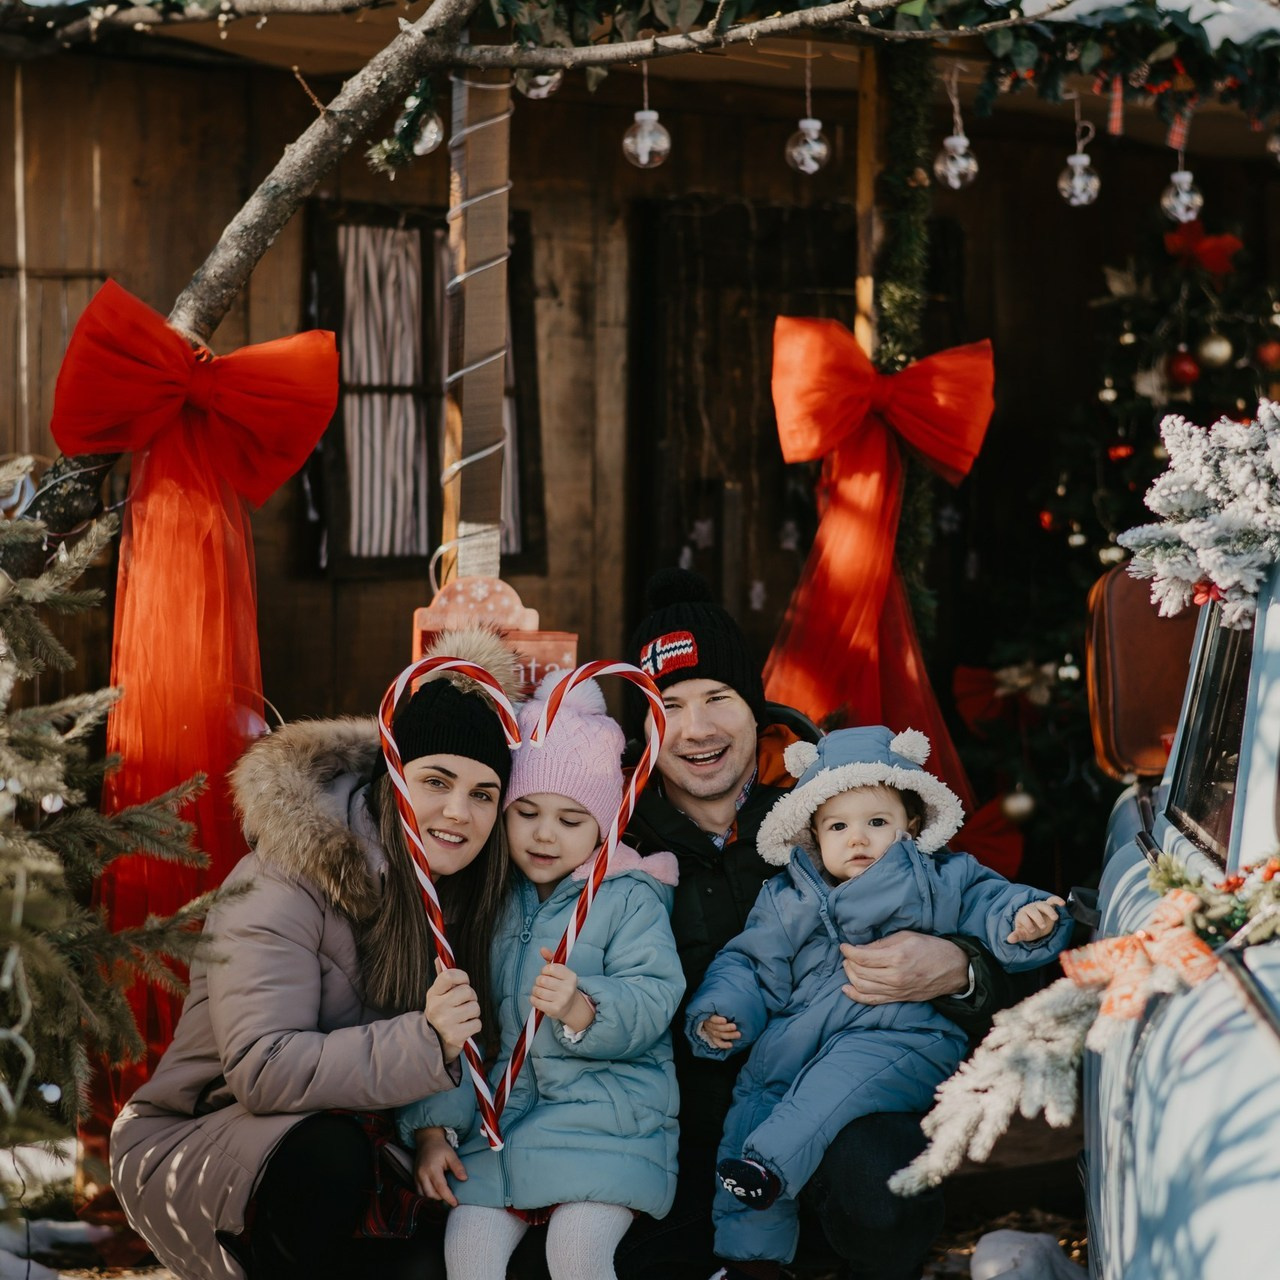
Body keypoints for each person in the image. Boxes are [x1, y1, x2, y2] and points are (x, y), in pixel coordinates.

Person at [602, 568, 1014, 1280]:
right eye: (669, 706)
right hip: (677, 1135)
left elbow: (979, 909)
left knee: (881, 1184)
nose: (696, 730)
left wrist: (962, 968)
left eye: (717, 698)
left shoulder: (835, 807)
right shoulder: (612, 835)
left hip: (836, 1109)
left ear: (754, 706)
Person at [109, 628, 520, 1280]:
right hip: (210, 1137)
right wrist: (427, 1042)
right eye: (436, 781)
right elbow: (262, 1067)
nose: (457, 812)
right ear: (392, 778)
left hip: (372, 1135)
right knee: (331, 1156)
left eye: (482, 794)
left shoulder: (461, 896)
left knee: (441, 1251)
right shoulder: (284, 878)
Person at [687, 724, 1073, 1278]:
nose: (858, 839)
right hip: (797, 1044)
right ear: (813, 834)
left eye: (876, 822)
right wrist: (723, 1012)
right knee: (756, 1105)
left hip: (903, 1037)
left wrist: (1024, 918)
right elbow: (750, 963)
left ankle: (769, 1167)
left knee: (829, 1089)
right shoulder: (788, 898)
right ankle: (752, 1262)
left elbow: (994, 900)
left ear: (910, 824)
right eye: (838, 826)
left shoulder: (940, 878)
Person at [399, 672, 685, 1280]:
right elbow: (460, 1033)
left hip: (607, 1125)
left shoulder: (629, 896)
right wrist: (432, 1128)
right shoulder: (488, 899)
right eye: (525, 813)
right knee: (467, 1251)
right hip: (501, 1125)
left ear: (605, 826)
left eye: (571, 820)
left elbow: (656, 993)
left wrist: (585, 1008)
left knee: (576, 1255)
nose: (544, 834)